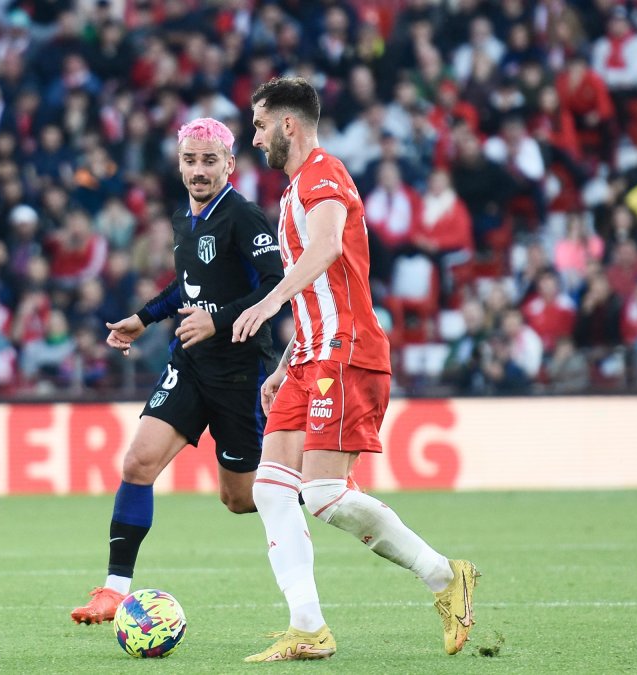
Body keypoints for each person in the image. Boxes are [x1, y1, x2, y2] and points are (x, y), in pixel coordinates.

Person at [233, 76, 478, 661]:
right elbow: (319, 292)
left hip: (345, 353)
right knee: (270, 489)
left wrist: (266, 305)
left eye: (260, 124)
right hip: (310, 356)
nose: (255, 135)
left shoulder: (323, 174)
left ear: (288, 125)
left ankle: (445, 575)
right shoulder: (294, 191)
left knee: (322, 494)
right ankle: (308, 628)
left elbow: (328, 253)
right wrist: (285, 359)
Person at [69, 117, 284, 624]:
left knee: (237, 499)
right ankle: (114, 590)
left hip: (239, 372)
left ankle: (304, 489)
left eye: (210, 160)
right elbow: (186, 286)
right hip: (190, 364)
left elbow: (277, 285)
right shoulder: (183, 217)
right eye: (190, 159)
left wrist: (219, 319)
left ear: (229, 165)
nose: (198, 169)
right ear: (180, 163)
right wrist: (143, 319)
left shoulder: (245, 217)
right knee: (137, 463)